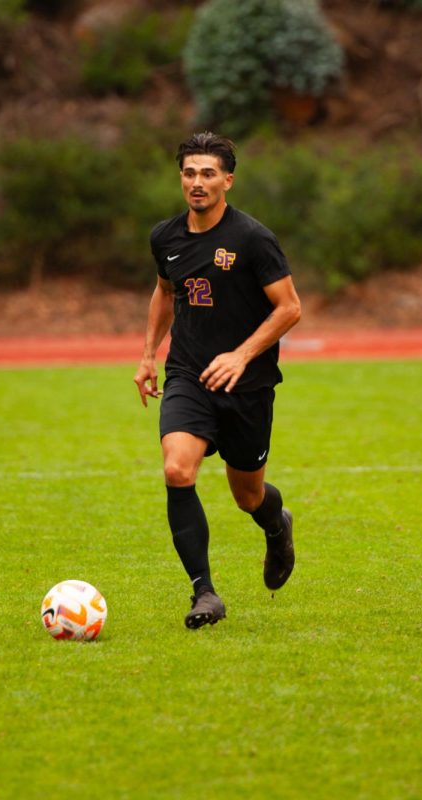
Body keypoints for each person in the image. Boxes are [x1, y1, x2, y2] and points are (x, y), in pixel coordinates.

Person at [135, 132, 302, 629]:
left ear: (227, 180)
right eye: (189, 173)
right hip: (188, 374)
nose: (197, 182)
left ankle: (277, 526)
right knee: (177, 471)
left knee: (247, 496)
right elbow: (165, 294)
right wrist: (148, 355)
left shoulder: (253, 238)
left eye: (208, 173)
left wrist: (242, 355)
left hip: (247, 386)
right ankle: (204, 593)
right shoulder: (165, 238)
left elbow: (289, 307)